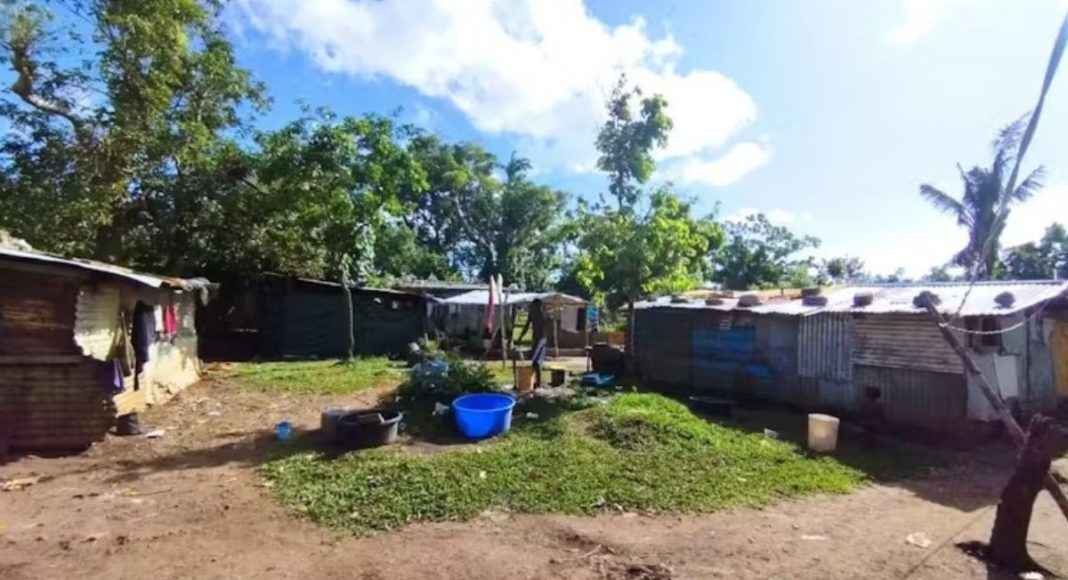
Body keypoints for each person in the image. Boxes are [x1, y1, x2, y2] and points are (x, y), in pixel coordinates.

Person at [516, 298, 546, 389]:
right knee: (535, 362)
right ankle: (534, 382)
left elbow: (547, 329)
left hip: (542, 339)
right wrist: (520, 338)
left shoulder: (543, 315)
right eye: (533, 307)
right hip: (535, 339)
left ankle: (538, 383)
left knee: (536, 361)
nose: (534, 308)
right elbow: (526, 326)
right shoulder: (532, 314)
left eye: (535, 306)